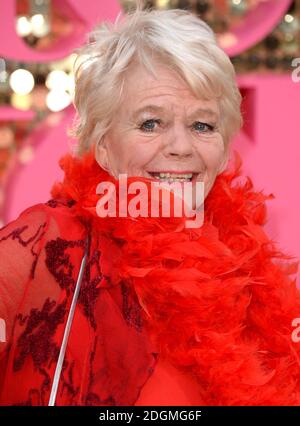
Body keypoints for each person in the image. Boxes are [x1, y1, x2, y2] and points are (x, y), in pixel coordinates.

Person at [0, 5, 300, 406]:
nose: (180, 147)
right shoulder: (49, 248)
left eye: (202, 125)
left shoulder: (250, 277)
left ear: (224, 145)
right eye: (150, 123)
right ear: (104, 146)